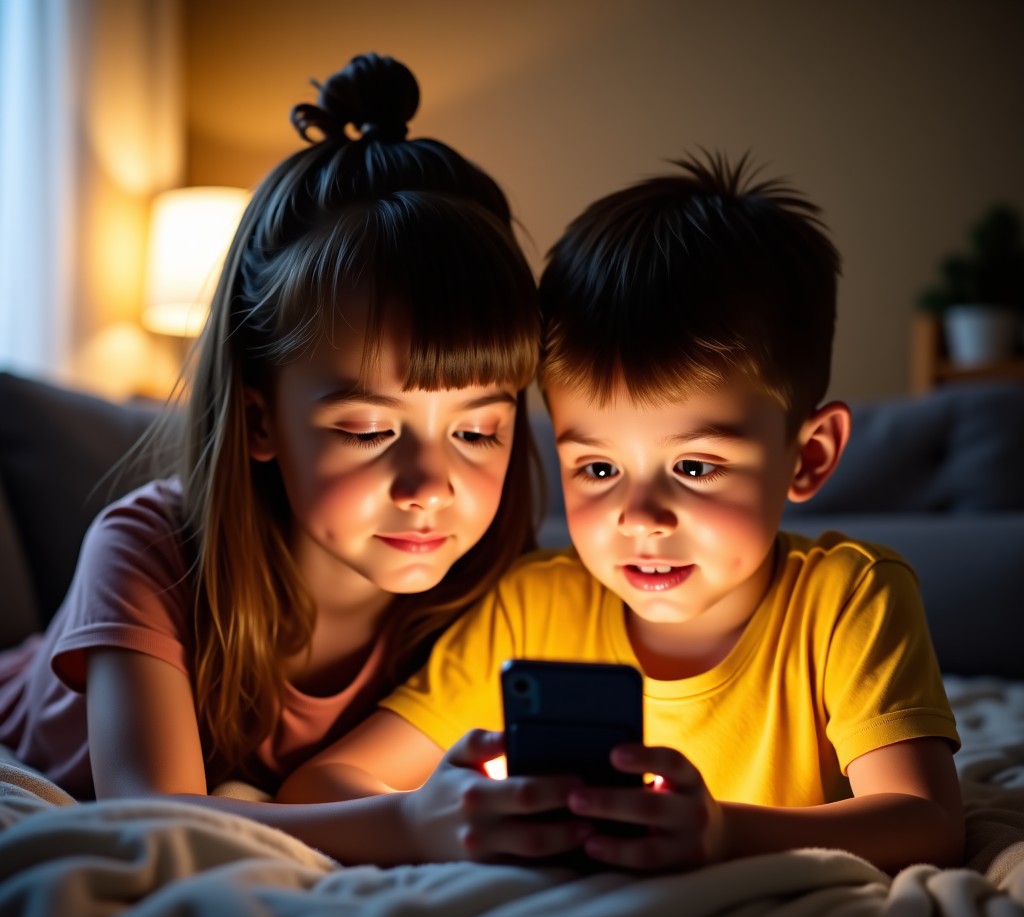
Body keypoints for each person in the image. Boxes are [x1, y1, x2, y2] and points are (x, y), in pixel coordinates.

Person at [313, 152, 965, 874]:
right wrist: (444, 814)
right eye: (597, 469)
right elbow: (323, 784)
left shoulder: (849, 599)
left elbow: (927, 824)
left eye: (694, 467)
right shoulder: (530, 609)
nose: (641, 517)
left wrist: (720, 834)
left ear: (808, 457)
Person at [0, 53, 544, 857]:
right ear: (260, 422)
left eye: (477, 432)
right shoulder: (150, 552)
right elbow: (157, 821)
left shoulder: (497, 598)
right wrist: (405, 822)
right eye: (367, 430)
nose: (431, 487)